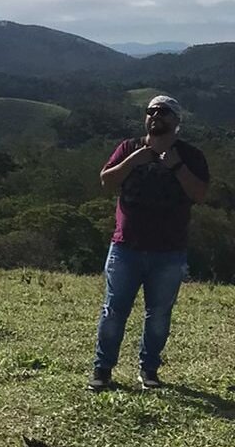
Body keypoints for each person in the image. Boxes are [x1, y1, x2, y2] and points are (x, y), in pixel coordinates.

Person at [89, 95, 209, 391]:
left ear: (176, 121)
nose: (155, 115)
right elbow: (106, 181)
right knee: (113, 311)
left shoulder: (190, 156)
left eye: (163, 112)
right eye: (150, 111)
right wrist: (132, 162)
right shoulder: (129, 148)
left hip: (169, 252)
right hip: (125, 248)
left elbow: (200, 195)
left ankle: (149, 371)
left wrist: (177, 167)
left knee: (158, 315)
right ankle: (102, 372)